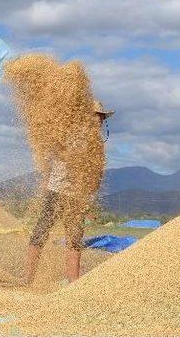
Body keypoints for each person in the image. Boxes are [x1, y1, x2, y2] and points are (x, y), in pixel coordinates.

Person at [25, 100, 114, 285]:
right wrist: (47, 178)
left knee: (75, 237)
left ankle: (73, 281)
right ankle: (27, 278)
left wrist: (90, 192)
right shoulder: (69, 134)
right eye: (95, 116)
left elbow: (95, 174)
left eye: (101, 117)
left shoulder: (97, 145)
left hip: (78, 196)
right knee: (41, 231)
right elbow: (52, 153)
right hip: (57, 190)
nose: (98, 121)